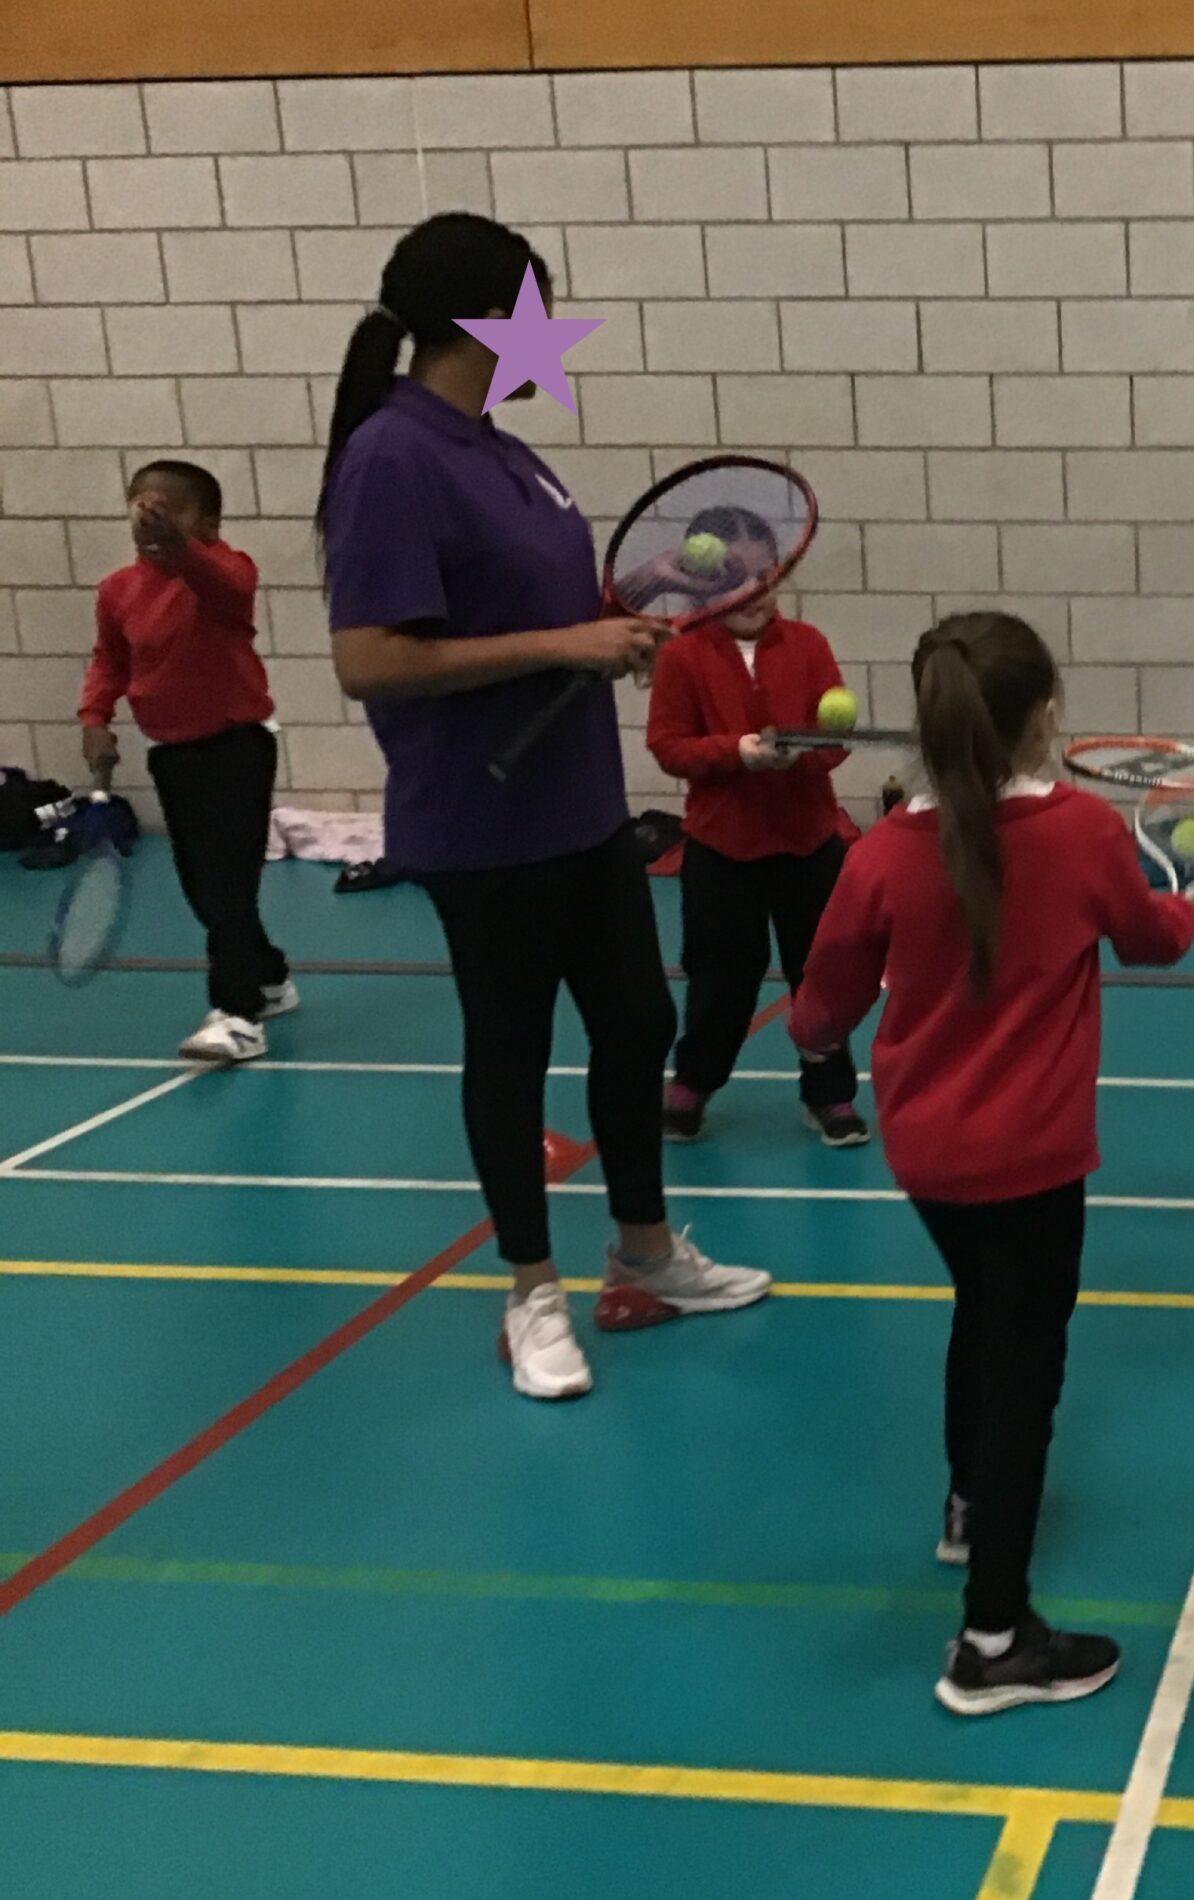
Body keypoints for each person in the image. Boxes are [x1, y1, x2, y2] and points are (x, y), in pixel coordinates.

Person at [318, 210, 769, 1403]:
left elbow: (542, 616)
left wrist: (631, 608)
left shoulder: (507, 454)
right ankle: (531, 1292)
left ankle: (645, 1252)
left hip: (578, 807)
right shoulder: (393, 455)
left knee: (636, 1025)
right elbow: (368, 658)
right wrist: (566, 643)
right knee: (511, 1051)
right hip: (482, 819)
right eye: (539, 308)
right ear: (489, 318)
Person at [790, 613, 1194, 1717]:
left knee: (983, 1309)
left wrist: (815, 1021)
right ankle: (993, 1638)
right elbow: (1152, 939)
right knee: (1025, 1373)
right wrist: (1181, 908)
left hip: (927, 1157)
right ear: (1043, 715)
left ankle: (969, 1501)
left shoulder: (880, 854)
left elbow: (819, 1011)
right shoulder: (1082, 833)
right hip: (1033, 1157)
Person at [645, 511, 866, 1149]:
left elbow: (834, 742)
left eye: (764, 574)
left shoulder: (809, 645)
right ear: (702, 583)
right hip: (722, 851)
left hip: (808, 846)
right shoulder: (682, 655)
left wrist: (806, 755)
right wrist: (737, 752)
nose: (753, 590)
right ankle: (694, 1082)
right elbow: (668, 745)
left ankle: (828, 1093)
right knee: (719, 980)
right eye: (733, 576)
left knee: (820, 977)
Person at [79, 460, 293, 1063]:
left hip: (237, 749)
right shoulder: (117, 590)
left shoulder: (228, 571)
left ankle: (238, 1015)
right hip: (172, 756)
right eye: (141, 506)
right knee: (203, 889)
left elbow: (223, 588)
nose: (150, 519)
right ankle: (270, 975)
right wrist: (94, 719)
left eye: (169, 509)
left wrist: (180, 548)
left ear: (209, 522)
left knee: (228, 885)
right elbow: (110, 661)